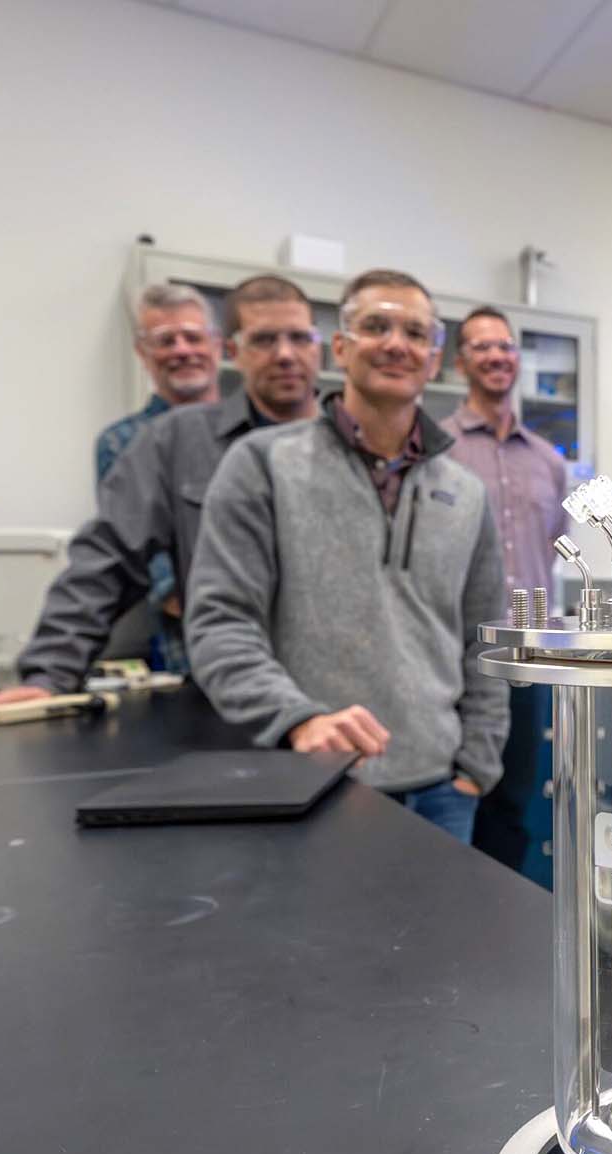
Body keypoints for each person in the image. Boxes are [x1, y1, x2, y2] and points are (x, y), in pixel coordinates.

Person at [185, 269, 508, 844]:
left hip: (441, 793)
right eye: (375, 326)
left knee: (439, 937)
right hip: (311, 786)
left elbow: (487, 638)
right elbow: (220, 624)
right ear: (341, 347)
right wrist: (299, 719)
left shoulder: (466, 492)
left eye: (415, 332)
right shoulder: (262, 464)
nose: (394, 343)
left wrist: (475, 767)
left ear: (434, 359)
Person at [0, 275, 321, 724]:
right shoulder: (173, 441)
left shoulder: (358, 446)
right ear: (234, 350)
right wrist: (47, 676)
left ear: (324, 347)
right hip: (236, 699)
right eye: (263, 339)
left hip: (356, 696)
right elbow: (107, 557)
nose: (284, 354)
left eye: (299, 338)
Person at [442, 306, 567, 872]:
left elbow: (552, 544)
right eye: (481, 346)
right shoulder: (436, 449)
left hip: (526, 658)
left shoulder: (548, 461)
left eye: (506, 346)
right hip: (453, 658)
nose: (496, 356)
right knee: (452, 801)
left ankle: (504, 930)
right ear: (459, 361)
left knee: (516, 806)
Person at [94, 281, 222, 485]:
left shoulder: (248, 433)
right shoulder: (122, 443)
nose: (182, 351)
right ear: (142, 354)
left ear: (217, 346)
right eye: (166, 341)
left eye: (193, 338)